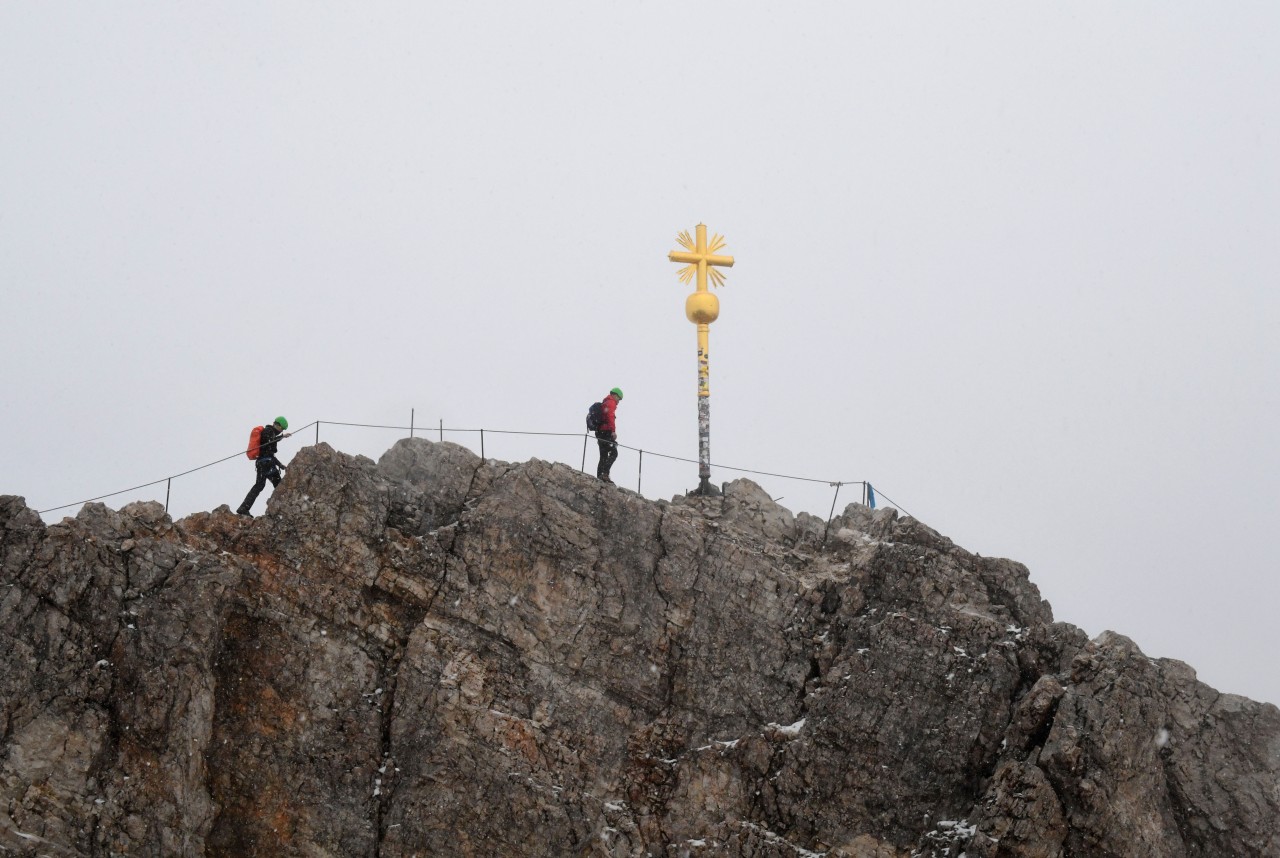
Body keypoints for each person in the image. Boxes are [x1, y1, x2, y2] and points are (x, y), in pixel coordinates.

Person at [236, 416, 292, 516]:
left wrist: (281, 465)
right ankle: (284, 508)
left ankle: (244, 507)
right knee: (279, 485)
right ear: (276, 425)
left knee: (259, 485)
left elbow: (269, 452)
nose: (281, 430)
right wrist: (281, 437)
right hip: (266, 463)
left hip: (263, 463)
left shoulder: (269, 432)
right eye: (281, 428)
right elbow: (269, 443)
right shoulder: (268, 431)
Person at [595, 388, 622, 483]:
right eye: (619, 398)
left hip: (599, 432)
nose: (619, 401)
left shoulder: (605, 402)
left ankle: (599, 477)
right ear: (615, 395)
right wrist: (613, 431)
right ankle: (605, 474)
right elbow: (610, 416)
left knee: (603, 455)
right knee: (614, 453)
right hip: (606, 432)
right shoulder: (611, 402)